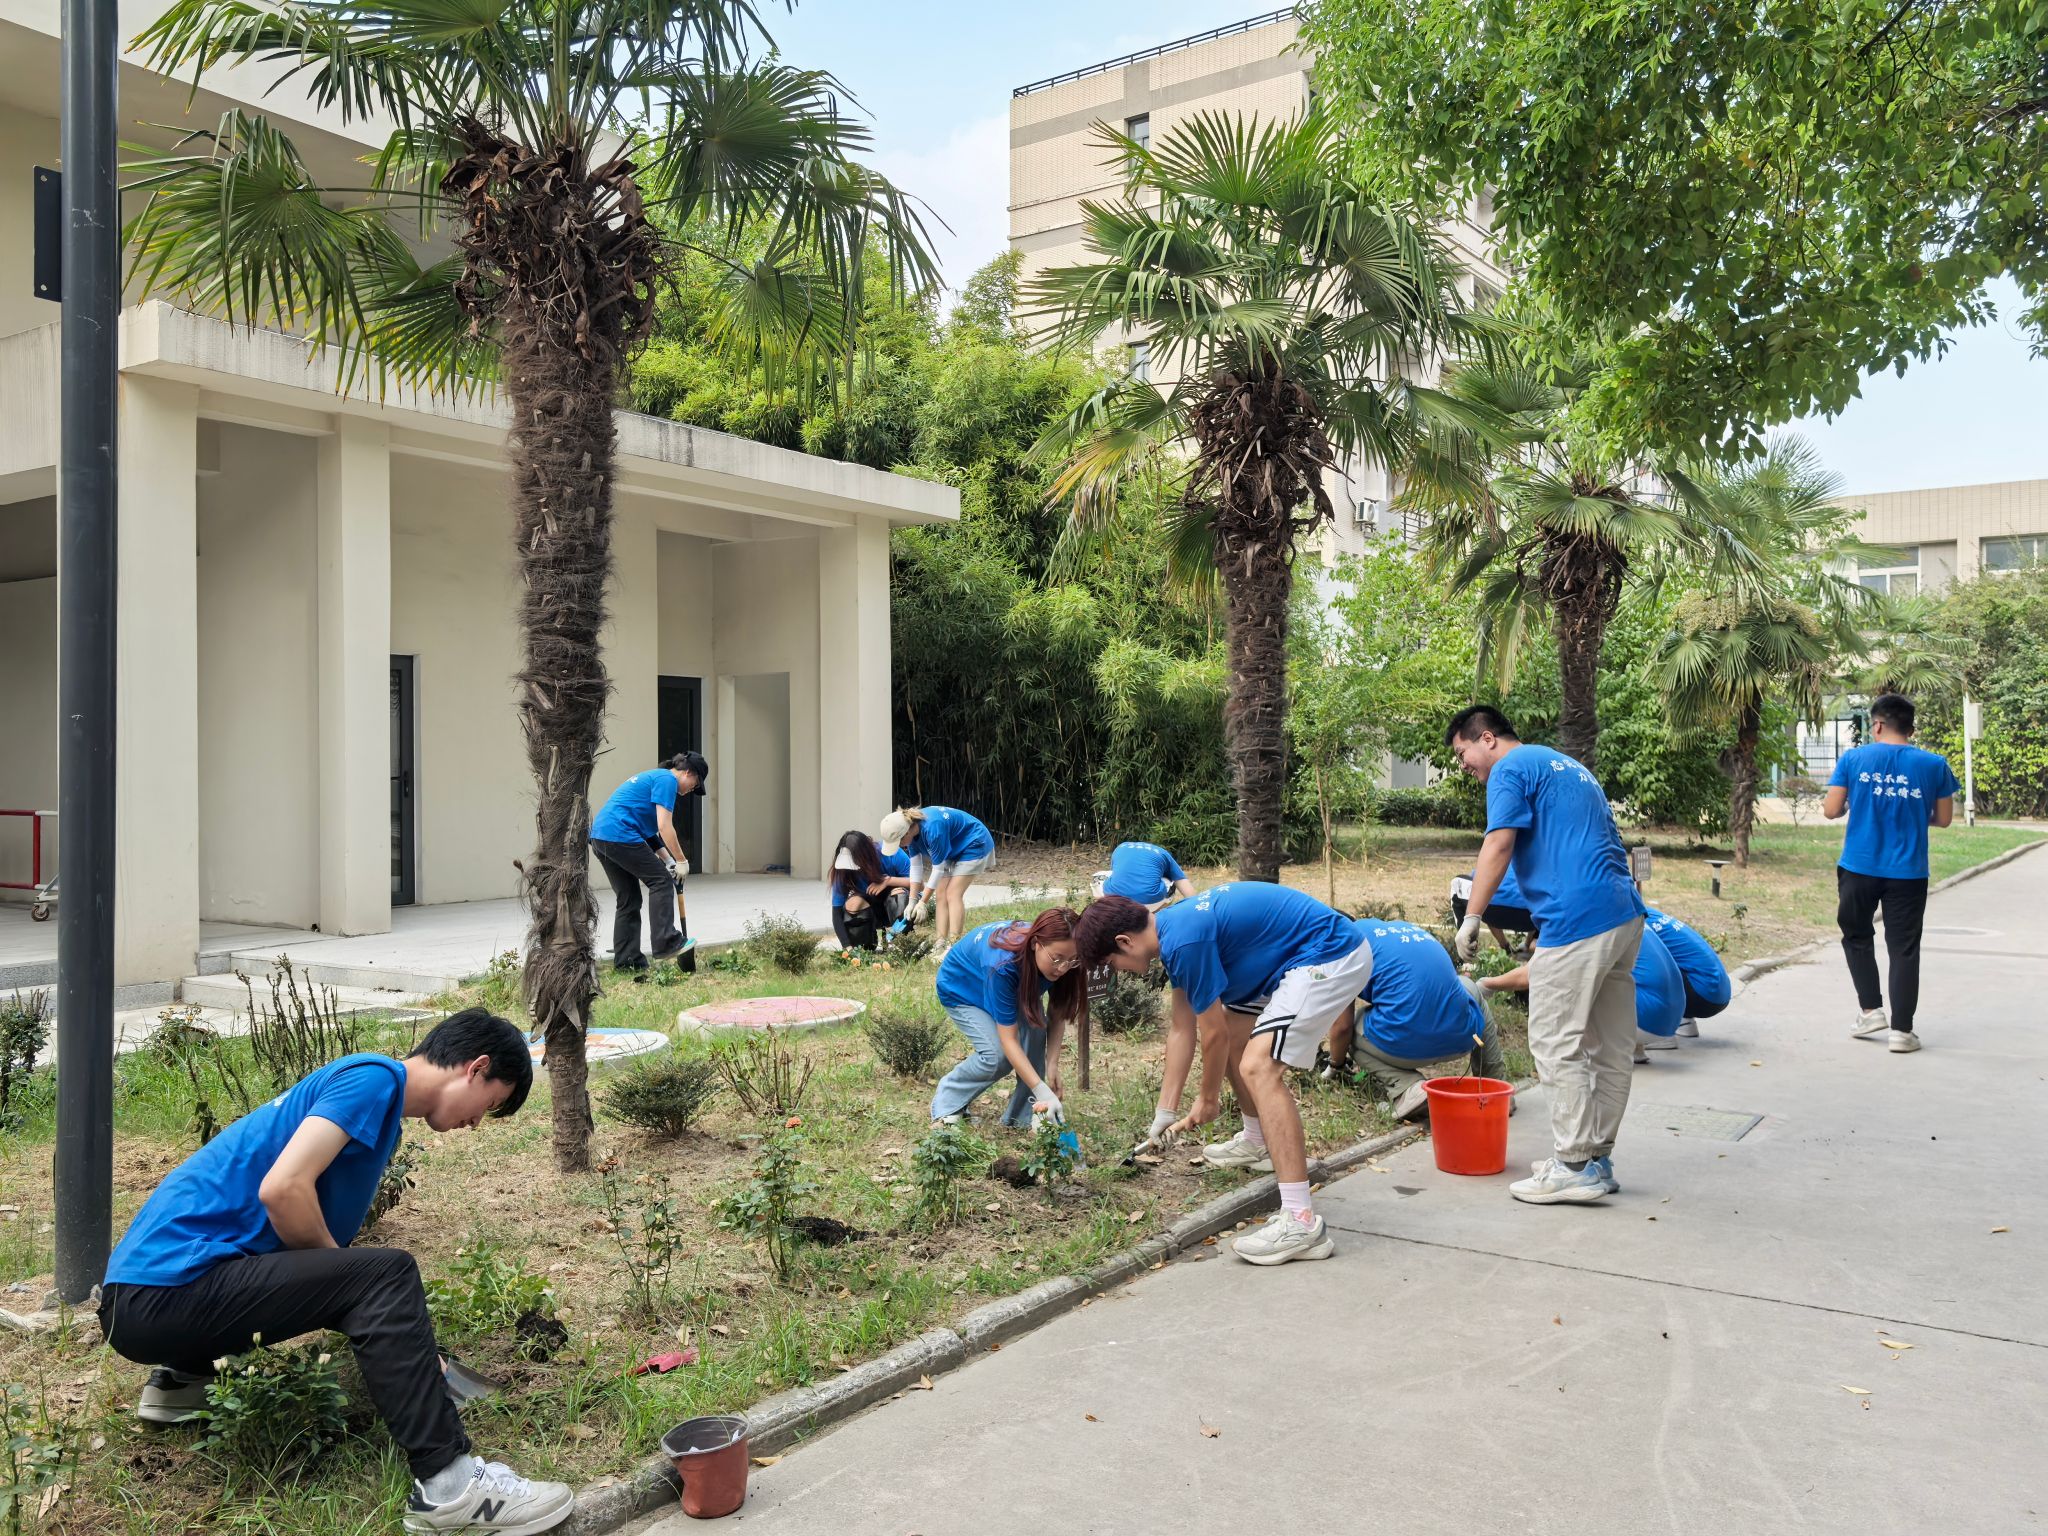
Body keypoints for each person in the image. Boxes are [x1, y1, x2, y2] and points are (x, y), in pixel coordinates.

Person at [98, 1011, 572, 1535]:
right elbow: (283, 1190)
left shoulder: (380, 1107)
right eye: (492, 1104)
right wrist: (352, 1289)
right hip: (163, 1293)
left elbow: (297, 1250)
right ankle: (451, 1487)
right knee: (384, 1275)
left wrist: (373, 1314)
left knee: (363, 1278)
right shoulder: (374, 1079)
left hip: (146, 1301)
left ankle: (181, 1383)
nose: (478, 1122)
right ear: (476, 1068)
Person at [1075, 884, 1374, 1267]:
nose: (1118, 971)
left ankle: (1301, 1223)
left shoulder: (1184, 941)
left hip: (1330, 954)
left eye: (1111, 963)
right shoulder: (1172, 933)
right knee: (1237, 1034)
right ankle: (1257, 1141)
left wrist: (1208, 1100)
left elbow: (1210, 1034)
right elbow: (1182, 1029)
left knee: (1258, 1067)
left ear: (1124, 942)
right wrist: (1165, 1113)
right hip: (1293, 959)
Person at [1447, 706, 1644, 1206]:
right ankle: (1596, 1161)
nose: (1463, 765)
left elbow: (1499, 843)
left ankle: (1573, 1165)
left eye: (1462, 752)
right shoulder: (1565, 764)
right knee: (1610, 1048)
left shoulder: (1509, 768)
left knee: (1555, 1039)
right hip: (1623, 913)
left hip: (1576, 919)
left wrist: (1473, 915)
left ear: (1486, 739)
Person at [1825, 693, 1958, 1054]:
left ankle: (1870, 1011)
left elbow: (1831, 810)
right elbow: (1944, 819)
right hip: (1909, 872)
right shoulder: (1935, 765)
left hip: (1858, 866)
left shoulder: (1853, 759)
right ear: (1911, 729)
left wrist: (1856, 804)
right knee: (1904, 949)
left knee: (1857, 935)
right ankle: (1902, 1031)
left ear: (1878, 724)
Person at [1318, 918, 1507, 1119]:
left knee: (1353, 1029)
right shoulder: (1397, 930)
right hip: (1463, 1036)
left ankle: (1408, 1089)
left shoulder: (1342, 948)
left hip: (1408, 1045)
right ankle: (1495, 1088)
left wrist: (1335, 1066)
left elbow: (1342, 1027)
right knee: (1469, 988)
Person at [930, 909, 1086, 1129]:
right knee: (996, 1056)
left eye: (1071, 960)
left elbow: (1057, 1013)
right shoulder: (1003, 965)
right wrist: (1042, 1089)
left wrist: (1052, 1065)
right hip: (963, 988)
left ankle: (1023, 1117)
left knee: (1035, 1029)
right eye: (1057, 959)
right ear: (1036, 944)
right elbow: (1009, 1040)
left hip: (1011, 985)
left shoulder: (1068, 960)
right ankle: (948, 1103)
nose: (1063, 968)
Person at [589, 751, 707, 975]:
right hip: (619, 834)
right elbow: (664, 827)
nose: (693, 789)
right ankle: (667, 942)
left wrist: (669, 861)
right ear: (688, 772)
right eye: (696, 784)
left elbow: (651, 834)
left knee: (629, 898)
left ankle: (628, 962)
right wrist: (682, 860)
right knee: (661, 882)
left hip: (601, 837)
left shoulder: (656, 778)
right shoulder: (667, 780)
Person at [879, 805, 995, 955]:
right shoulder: (911, 837)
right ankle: (940, 943)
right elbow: (916, 868)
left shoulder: (933, 829)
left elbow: (937, 870)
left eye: (899, 842)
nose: (900, 846)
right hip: (953, 846)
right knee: (940, 894)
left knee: (952, 893)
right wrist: (912, 901)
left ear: (906, 832)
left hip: (974, 841)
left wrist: (922, 902)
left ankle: (954, 947)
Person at [1644, 907, 1732, 1040]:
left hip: (1703, 994)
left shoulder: (1634, 922)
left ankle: (1658, 1032)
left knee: (1632, 968)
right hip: (1720, 992)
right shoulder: (1649, 913)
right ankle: (1684, 1023)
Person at [828, 829, 914, 951]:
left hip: (897, 909)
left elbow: (919, 884)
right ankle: (865, 948)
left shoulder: (890, 852)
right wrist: (847, 946)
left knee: (899, 896)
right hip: (871, 912)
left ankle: (903, 943)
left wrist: (888, 881)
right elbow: (837, 914)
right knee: (853, 903)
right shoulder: (842, 871)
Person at [1450, 861, 1537, 952]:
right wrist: (1527, 944)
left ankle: (1467, 947)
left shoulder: (1493, 862)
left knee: (1457, 883)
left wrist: (1505, 946)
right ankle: (1535, 944)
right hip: (1530, 914)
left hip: (1488, 908)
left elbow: (1486, 898)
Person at [1095, 840, 1197, 910]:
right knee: (1170, 880)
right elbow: (1187, 890)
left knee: (1101, 876)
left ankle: (1105, 909)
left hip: (1115, 899)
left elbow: (1118, 874)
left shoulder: (1120, 847)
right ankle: (1155, 915)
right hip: (1149, 902)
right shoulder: (1163, 853)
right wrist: (1196, 907)